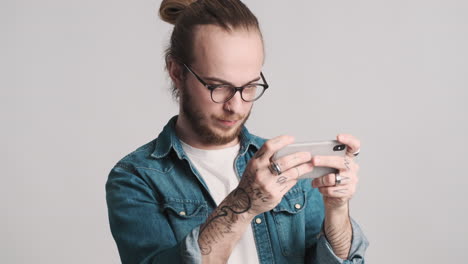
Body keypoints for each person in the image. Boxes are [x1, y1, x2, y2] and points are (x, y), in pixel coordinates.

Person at [106, 0, 369, 263]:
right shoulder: (135, 177)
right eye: (217, 86)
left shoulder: (284, 164)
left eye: (250, 86)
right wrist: (243, 204)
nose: (236, 105)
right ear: (176, 72)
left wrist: (337, 209)